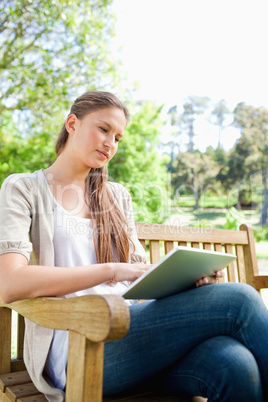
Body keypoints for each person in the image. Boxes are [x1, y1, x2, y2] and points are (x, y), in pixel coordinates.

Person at [0, 91, 267, 402]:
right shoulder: (23, 188)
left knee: (234, 363)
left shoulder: (115, 196)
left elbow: (137, 278)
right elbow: (9, 283)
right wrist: (110, 270)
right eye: (103, 129)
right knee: (240, 300)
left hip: (133, 334)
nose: (111, 144)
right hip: (78, 343)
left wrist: (183, 282)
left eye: (118, 138)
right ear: (72, 123)